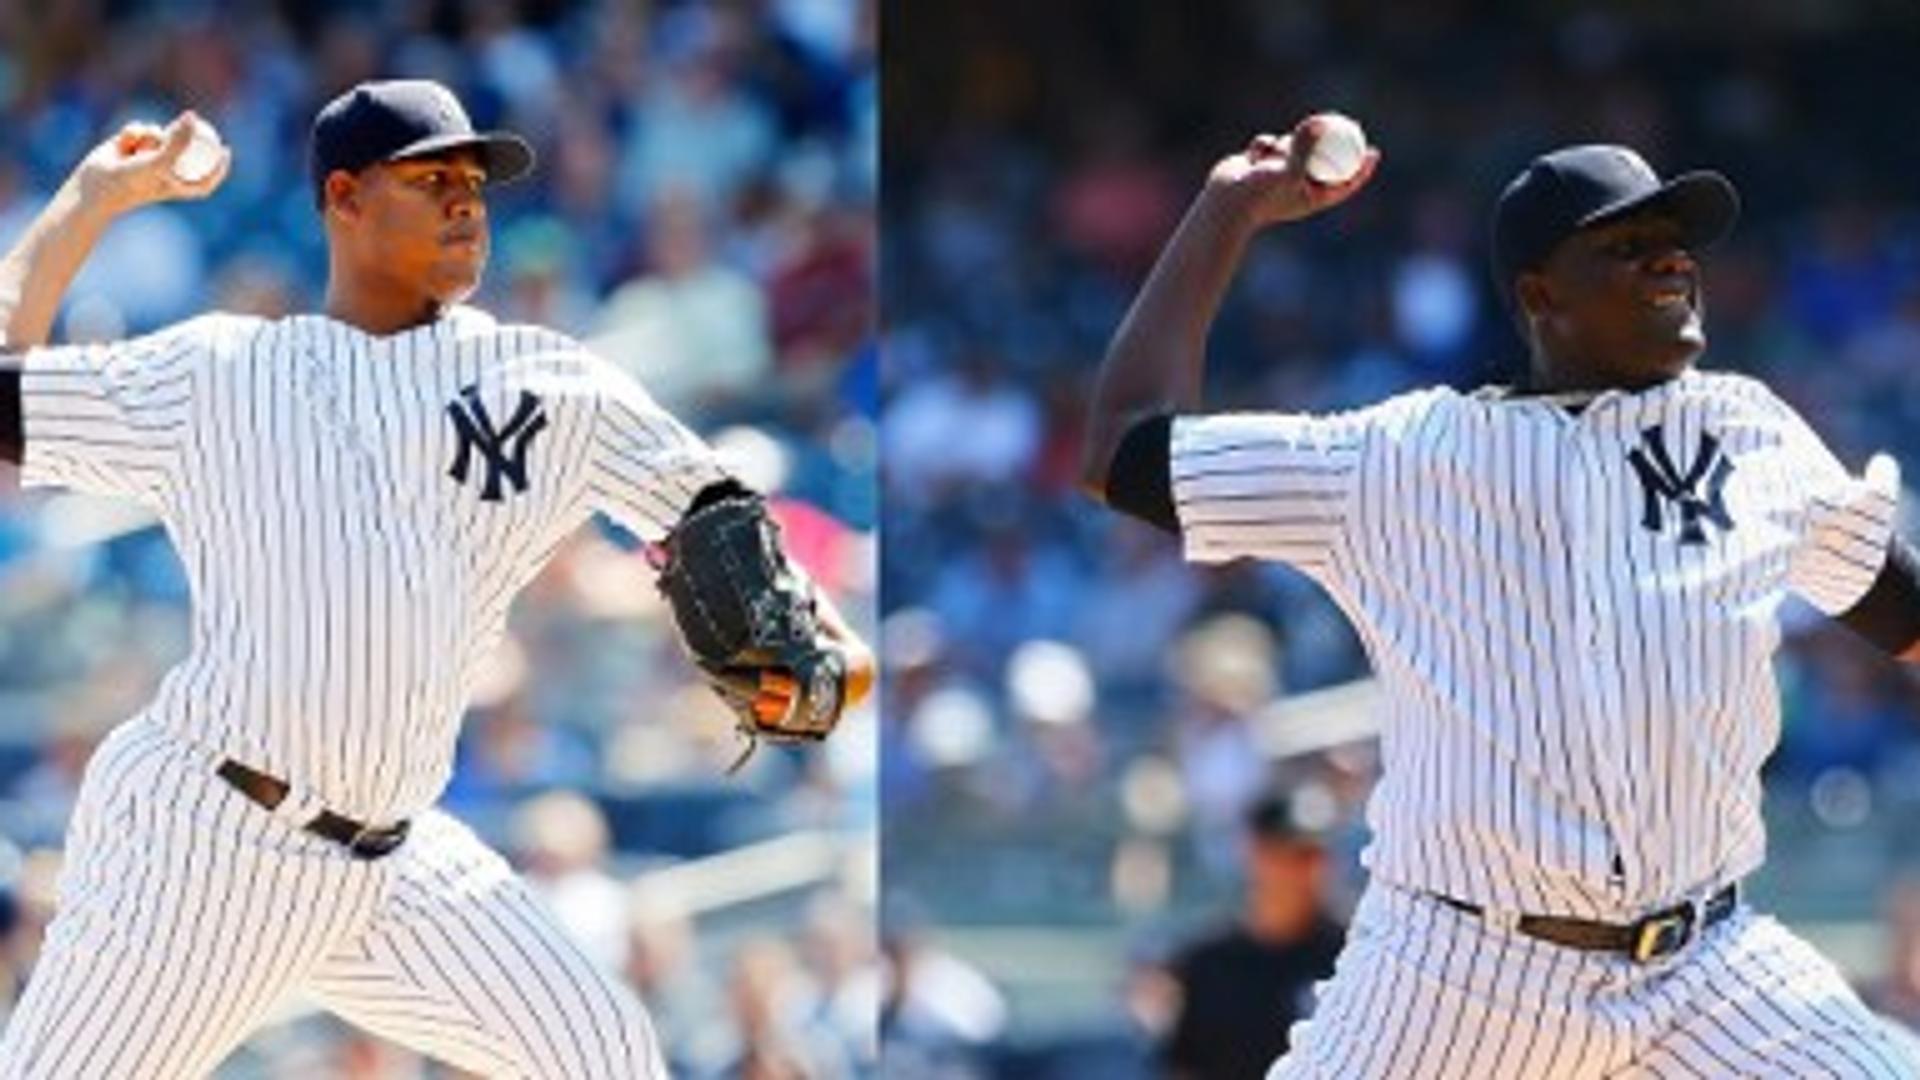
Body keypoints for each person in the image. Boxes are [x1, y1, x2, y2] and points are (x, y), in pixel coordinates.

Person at [0, 79, 872, 1078]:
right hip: (208, 840)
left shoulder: (548, 383)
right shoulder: (217, 373)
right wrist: (90, 201)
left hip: (399, 864)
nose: (466, 198)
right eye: (431, 177)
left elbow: (716, 515)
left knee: (606, 1052)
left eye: (475, 180)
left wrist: (822, 643)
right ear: (344, 197)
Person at [1082, 116, 1920, 1077]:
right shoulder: (1398, 461)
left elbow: (1903, 610)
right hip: (1462, 970)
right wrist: (1227, 209)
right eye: (1628, 245)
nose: (1670, 263)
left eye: (1675, 242)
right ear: (1539, 295)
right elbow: (1121, 450)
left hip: (1710, 966)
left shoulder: (1747, 434)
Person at [1158, 792, 1345, 1080]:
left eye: (1316, 854)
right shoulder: (1209, 963)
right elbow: (1185, 1066)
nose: (1307, 868)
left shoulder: (1351, 957)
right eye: (1293, 853)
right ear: (1254, 851)